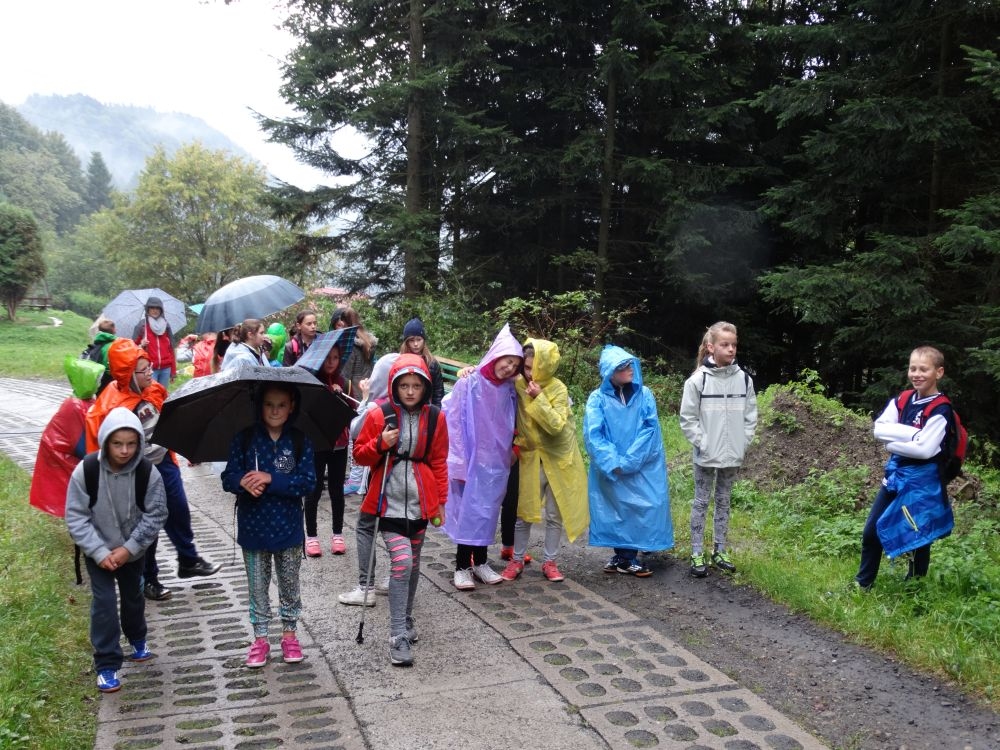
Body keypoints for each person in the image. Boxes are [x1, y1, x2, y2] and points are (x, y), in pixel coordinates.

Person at [86, 338, 221, 601]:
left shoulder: (155, 390)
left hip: (164, 462)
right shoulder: (110, 405)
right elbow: (98, 445)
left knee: (178, 509)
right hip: (137, 472)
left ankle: (188, 559)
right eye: (143, 370)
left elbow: (170, 418)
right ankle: (149, 579)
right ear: (127, 373)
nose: (150, 373)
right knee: (146, 525)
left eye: (150, 367)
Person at [352, 353, 449, 666]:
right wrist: (381, 443)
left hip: (421, 502)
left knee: (414, 564)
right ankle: (397, 635)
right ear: (394, 385)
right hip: (388, 502)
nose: (409, 391)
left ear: (425, 387)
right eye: (404, 385)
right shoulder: (379, 414)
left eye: (416, 386)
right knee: (403, 563)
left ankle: (406, 618)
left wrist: (441, 501)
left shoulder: (435, 418)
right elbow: (360, 455)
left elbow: (439, 461)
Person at [65, 407, 168, 693]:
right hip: (97, 551)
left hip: (132, 552)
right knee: (105, 603)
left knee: (133, 596)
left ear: (140, 443)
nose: (124, 450)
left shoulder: (148, 473)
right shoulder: (86, 471)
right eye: (117, 443)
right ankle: (107, 664)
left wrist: (129, 548)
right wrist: (99, 552)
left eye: (131, 444)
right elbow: (76, 516)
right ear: (105, 441)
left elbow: (157, 514)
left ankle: (137, 637)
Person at [221, 383, 316, 668]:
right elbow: (228, 476)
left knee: (289, 585)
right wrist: (242, 482)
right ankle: (260, 639)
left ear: (291, 406)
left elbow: (308, 482)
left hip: (288, 529)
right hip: (253, 529)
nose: (275, 411)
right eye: (269, 404)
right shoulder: (245, 439)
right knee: (257, 588)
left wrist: (271, 479)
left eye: (281, 405)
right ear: (259, 406)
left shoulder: (299, 441)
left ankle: (289, 635)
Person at [855, 346, 956, 589]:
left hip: (923, 483)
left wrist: (893, 444)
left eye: (924, 369)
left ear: (938, 372)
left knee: (918, 534)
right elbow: (879, 429)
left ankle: (914, 589)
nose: (917, 374)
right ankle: (863, 584)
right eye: (913, 368)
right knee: (871, 530)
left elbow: (925, 451)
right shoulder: (902, 400)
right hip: (895, 475)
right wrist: (915, 435)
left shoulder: (941, 409)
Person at [501, 339, 589, 583]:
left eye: (534, 367)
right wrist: (469, 371)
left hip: (558, 460)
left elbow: (556, 426)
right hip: (531, 458)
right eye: (526, 367)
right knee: (524, 512)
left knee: (554, 515)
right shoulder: (519, 383)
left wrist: (539, 398)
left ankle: (550, 561)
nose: (529, 373)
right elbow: (494, 376)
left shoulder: (558, 389)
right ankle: (517, 560)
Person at [443, 323, 523, 590]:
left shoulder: (509, 388)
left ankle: (481, 562)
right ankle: (462, 566)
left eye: (515, 365)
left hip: (496, 460)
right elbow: (453, 421)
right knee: (469, 511)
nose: (509, 368)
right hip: (471, 458)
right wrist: (458, 461)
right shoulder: (470, 382)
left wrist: (512, 450)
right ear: (496, 355)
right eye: (507, 361)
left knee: (488, 511)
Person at [583, 345, 673, 577]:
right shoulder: (597, 399)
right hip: (612, 467)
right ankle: (625, 557)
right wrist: (613, 462)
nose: (630, 369)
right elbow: (594, 434)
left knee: (648, 504)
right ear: (610, 372)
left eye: (630, 364)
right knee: (616, 508)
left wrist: (630, 461)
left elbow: (650, 428)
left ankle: (625, 556)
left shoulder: (645, 394)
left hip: (643, 464)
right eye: (623, 366)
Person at [678, 321, 758, 577]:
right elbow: (687, 419)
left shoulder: (744, 380)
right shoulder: (698, 380)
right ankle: (696, 552)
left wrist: (742, 442)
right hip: (706, 455)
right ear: (711, 347)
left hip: (732, 454)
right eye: (725, 344)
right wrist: (703, 443)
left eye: (734, 344)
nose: (731, 349)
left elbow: (750, 417)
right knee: (701, 502)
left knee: (724, 501)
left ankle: (720, 551)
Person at [339, 353, 399, 606]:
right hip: (405, 484)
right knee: (398, 530)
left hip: (378, 479)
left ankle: (366, 587)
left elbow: (355, 430)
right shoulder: (412, 408)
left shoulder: (378, 407)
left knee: (366, 527)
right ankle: (395, 579)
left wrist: (365, 400)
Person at [29, 357, 105, 518]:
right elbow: (81, 442)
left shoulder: (86, 401)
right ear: (86, 380)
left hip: (67, 450)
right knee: (75, 488)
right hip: (61, 452)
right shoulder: (75, 406)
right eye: (96, 379)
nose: (99, 383)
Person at [301, 338, 351, 556]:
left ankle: (337, 533)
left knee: (336, 490)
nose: (331, 362)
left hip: (340, 443)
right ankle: (311, 536)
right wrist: (326, 392)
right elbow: (307, 410)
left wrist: (340, 396)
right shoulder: (312, 382)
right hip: (316, 443)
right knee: (313, 490)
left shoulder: (344, 382)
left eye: (335, 358)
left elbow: (351, 411)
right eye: (328, 358)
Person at [131, 295, 175, 388]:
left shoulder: (166, 325)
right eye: (152, 308)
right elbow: (132, 348)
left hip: (166, 368)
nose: (155, 310)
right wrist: (141, 344)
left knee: (163, 393)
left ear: (161, 310)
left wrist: (173, 371)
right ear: (148, 309)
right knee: (151, 393)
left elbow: (171, 348)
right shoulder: (142, 325)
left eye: (157, 308)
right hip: (149, 369)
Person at [400, 317, 445, 407]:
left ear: (424, 341)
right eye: (412, 340)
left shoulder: (432, 363)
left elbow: (438, 392)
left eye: (419, 339)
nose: (416, 344)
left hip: (426, 407)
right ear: (406, 342)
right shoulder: (400, 361)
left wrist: (436, 412)